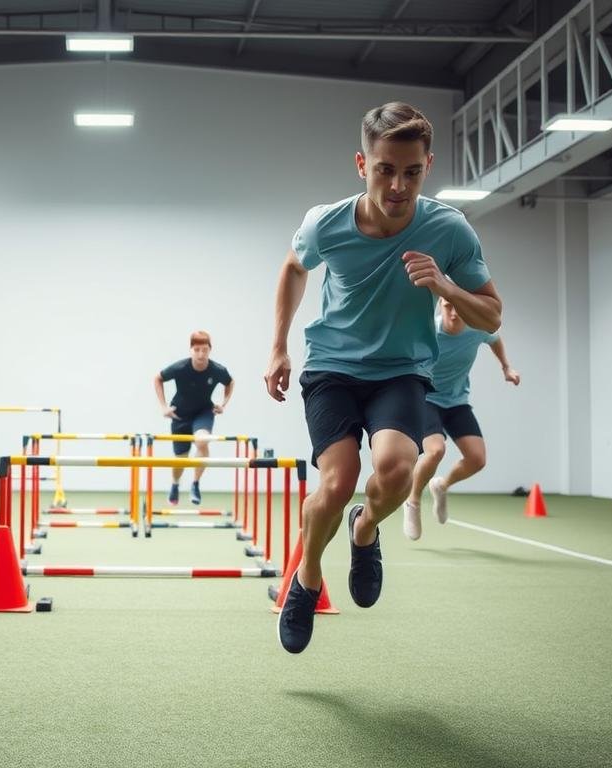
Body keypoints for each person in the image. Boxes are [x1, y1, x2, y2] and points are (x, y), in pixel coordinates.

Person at [265, 102, 503, 654]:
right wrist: (278, 346)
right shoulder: (326, 222)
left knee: (397, 471)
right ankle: (307, 578)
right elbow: (294, 268)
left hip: (401, 369)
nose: (398, 185)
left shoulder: (448, 229)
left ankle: (365, 529)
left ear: (428, 165)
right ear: (361, 164)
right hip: (332, 368)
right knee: (336, 480)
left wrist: (447, 287)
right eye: (385, 170)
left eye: (412, 172)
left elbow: (492, 315)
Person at [403, 297, 520, 540]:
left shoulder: (477, 329)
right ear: (439, 305)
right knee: (435, 451)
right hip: (428, 399)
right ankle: (413, 501)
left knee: (477, 459)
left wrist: (506, 367)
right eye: (448, 306)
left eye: (459, 307)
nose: (454, 313)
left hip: (456, 401)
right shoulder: (428, 331)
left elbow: (495, 337)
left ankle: (442, 486)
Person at [153, 331, 234, 505]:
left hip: (203, 412)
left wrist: (223, 403)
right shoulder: (180, 368)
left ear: (210, 350)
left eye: (204, 350)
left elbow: (230, 382)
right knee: (180, 460)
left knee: (202, 441)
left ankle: (195, 484)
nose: (201, 354)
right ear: (191, 350)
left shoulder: (217, 370)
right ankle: (175, 484)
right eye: (197, 349)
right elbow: (158, 378)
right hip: (179, 415)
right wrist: (163, 406)